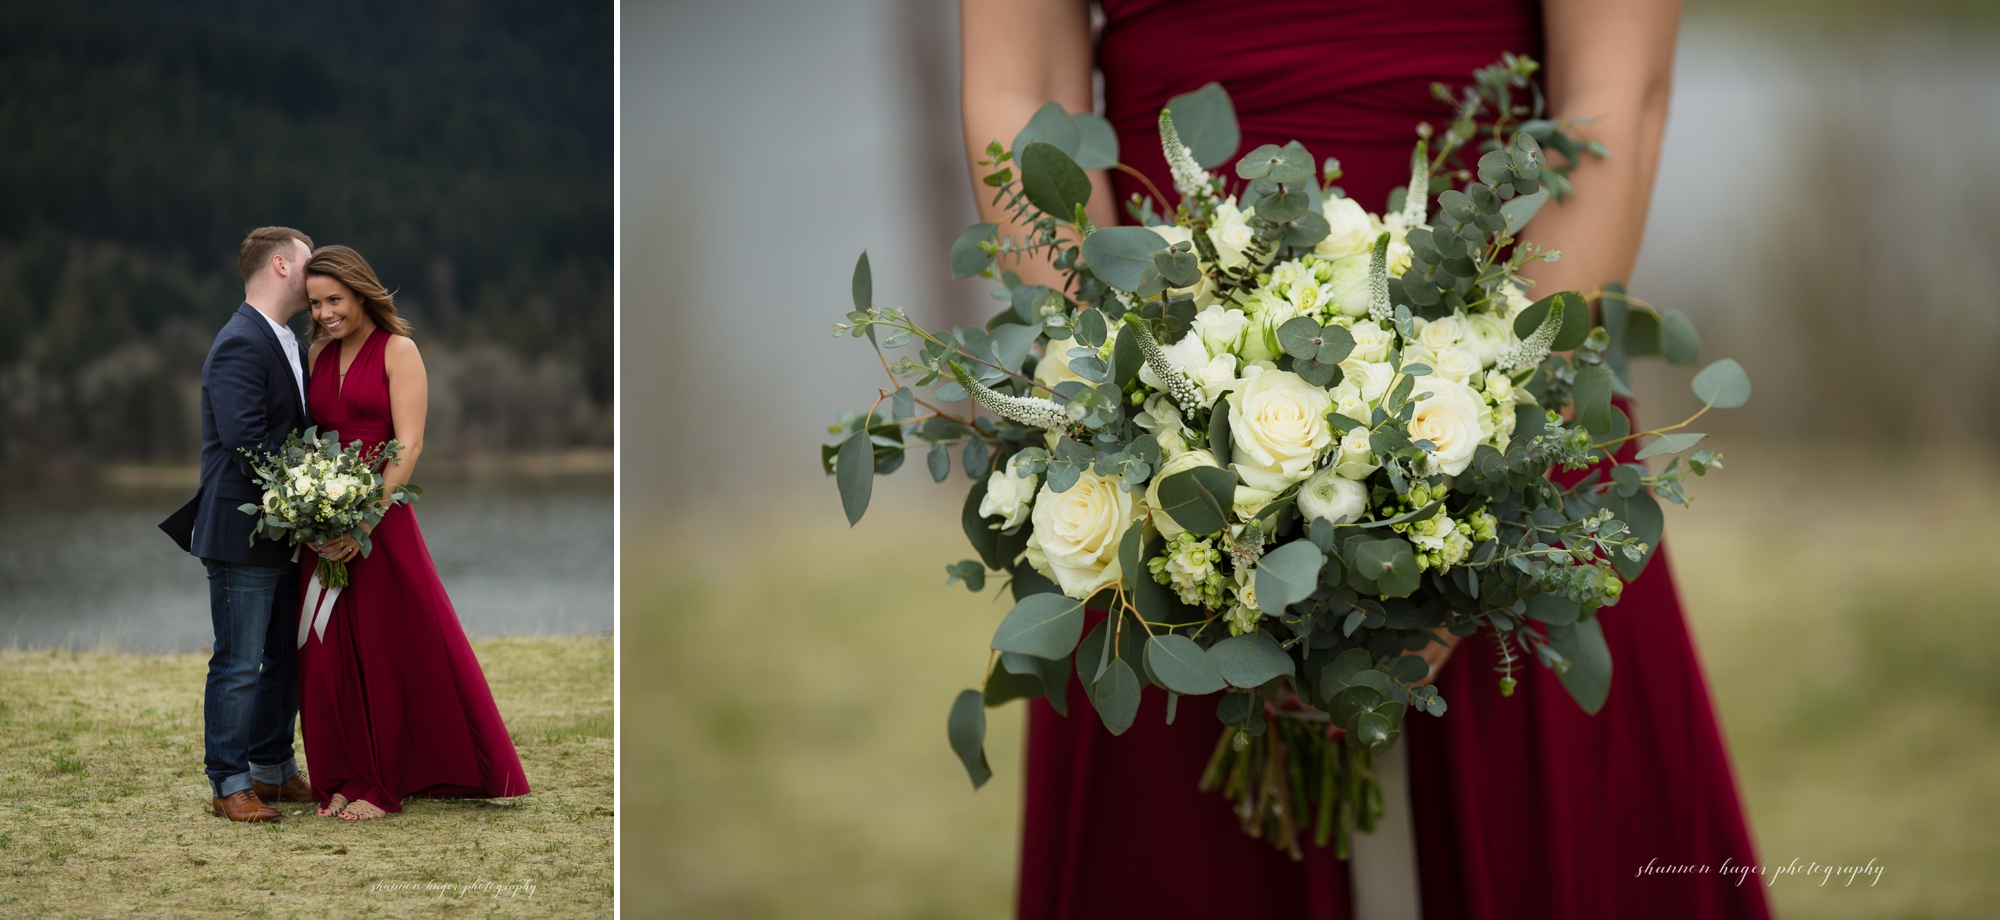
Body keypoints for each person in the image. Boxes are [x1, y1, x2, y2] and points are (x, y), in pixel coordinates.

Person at [960, 1, 1773, 917]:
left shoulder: (1504, 438)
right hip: (1166, 456)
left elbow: (1616, 88)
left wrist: (1482, 496)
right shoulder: (1158, 450)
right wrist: (1140, 421)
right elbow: (1016, 88)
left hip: (1509, 378)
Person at [293, 245, 531, 820]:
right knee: (326, 660)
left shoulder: (400, 351)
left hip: (379, 521)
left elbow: (409, 444)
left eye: (335, 300)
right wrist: (309, 512)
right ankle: (340, 779)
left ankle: (382, 784)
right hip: (323, 526)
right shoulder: (318, 352)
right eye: (316, 303)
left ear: (360, 291)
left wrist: (366, 518)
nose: (325, 313)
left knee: (383, 649)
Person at [160, 226, 319, 822]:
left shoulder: (286, 341)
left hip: (282, 530)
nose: (317, 270)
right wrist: (306, 494)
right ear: (280, 265)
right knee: (239, 661)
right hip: (241, 530)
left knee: (285, 655)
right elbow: (246, 442)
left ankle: (273, 771)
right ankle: (230, 783)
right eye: (309, 261)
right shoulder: (240, 342)